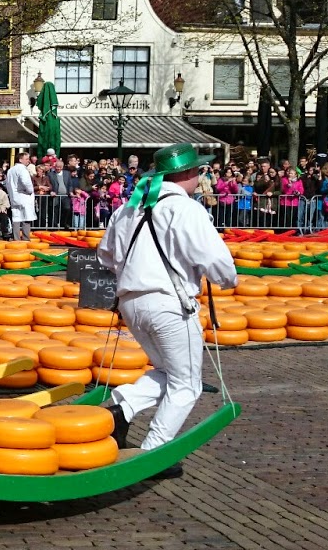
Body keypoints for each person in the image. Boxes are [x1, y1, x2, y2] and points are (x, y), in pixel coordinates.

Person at [97, 143, 237, 474]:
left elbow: (105, 254)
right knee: (187, 384)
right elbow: (216, 261)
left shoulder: (129, 208)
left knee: (167, 372)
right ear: (188, 174)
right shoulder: (185, 209)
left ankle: (121, 408)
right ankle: (154, 453)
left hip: (131, 302)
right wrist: (228, 280)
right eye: (199, 172)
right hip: (169, 304)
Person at [5, 151, 36, 240]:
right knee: (26, 217)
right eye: (26, 159)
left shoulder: (11, 170)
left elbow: (8, 183)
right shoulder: (22, 169)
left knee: (16, 218)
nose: (28, 161)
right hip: (24, 196)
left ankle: (16, 238)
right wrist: (30, 190)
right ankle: (26, 238)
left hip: (14, 197)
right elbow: (26, 182)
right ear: (20, 160)